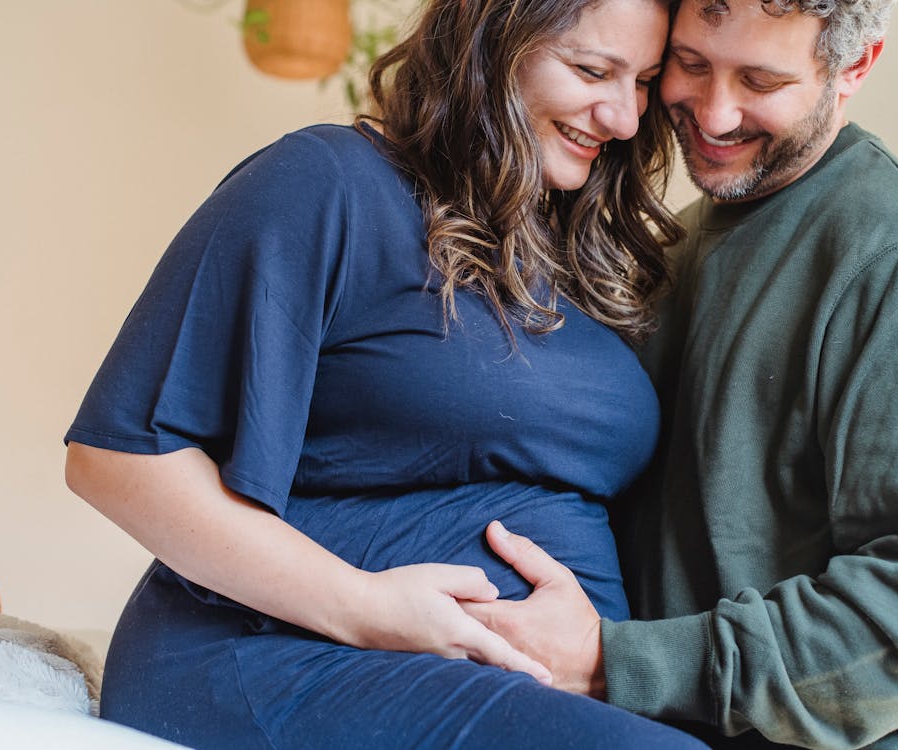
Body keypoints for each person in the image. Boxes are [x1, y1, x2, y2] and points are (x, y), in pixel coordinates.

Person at [64, 0, 711, 747]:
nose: (624, 118)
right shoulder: (325, 181)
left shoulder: (569, 254)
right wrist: (365, 607)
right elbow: (115, 459)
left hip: (496, 683)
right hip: (277, 654)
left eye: (642, 82)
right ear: (490, 46)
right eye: (591, 70)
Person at [464, 0, 898, 747]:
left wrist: (613, 662)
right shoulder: (678, 244)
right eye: (692, 63)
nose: (713, 112)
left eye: (759, 80)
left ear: (854, 67)